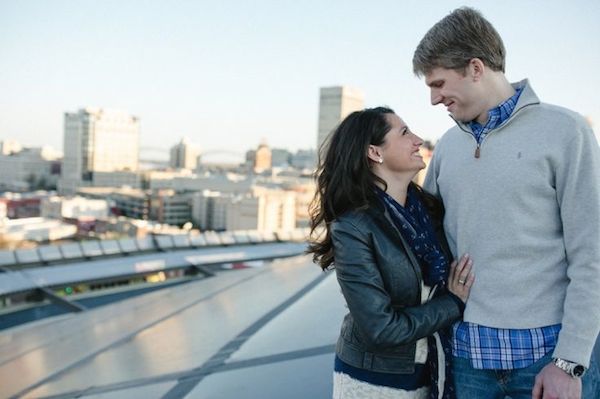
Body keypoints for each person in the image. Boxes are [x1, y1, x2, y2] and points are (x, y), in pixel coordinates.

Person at [412, 7, 600, 399]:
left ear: (476, 68)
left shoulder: (566, 132)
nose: (433, 99)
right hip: (466, 358)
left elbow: (592, 255)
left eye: (439, 83)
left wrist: (569, 362)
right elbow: (421, 235)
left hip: (545, 358)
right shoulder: (447, 147)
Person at [308, 106, 474, 398]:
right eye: (405, 132)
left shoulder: (428, 211)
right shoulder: (353, 227)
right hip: (377, 382)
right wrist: (454, 304)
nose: (418, 139)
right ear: (374, 152)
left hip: (431, 371)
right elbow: (381, 329)